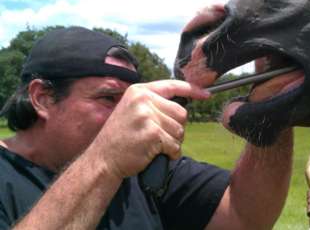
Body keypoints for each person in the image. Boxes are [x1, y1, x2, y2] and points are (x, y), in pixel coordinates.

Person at [0, 26, 293, 229]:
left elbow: (246, 217)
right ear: (43, 98)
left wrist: (271, 103)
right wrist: (105, 160)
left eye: (130, 98)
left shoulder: (142, 169)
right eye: (108, 98)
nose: (131, 114)